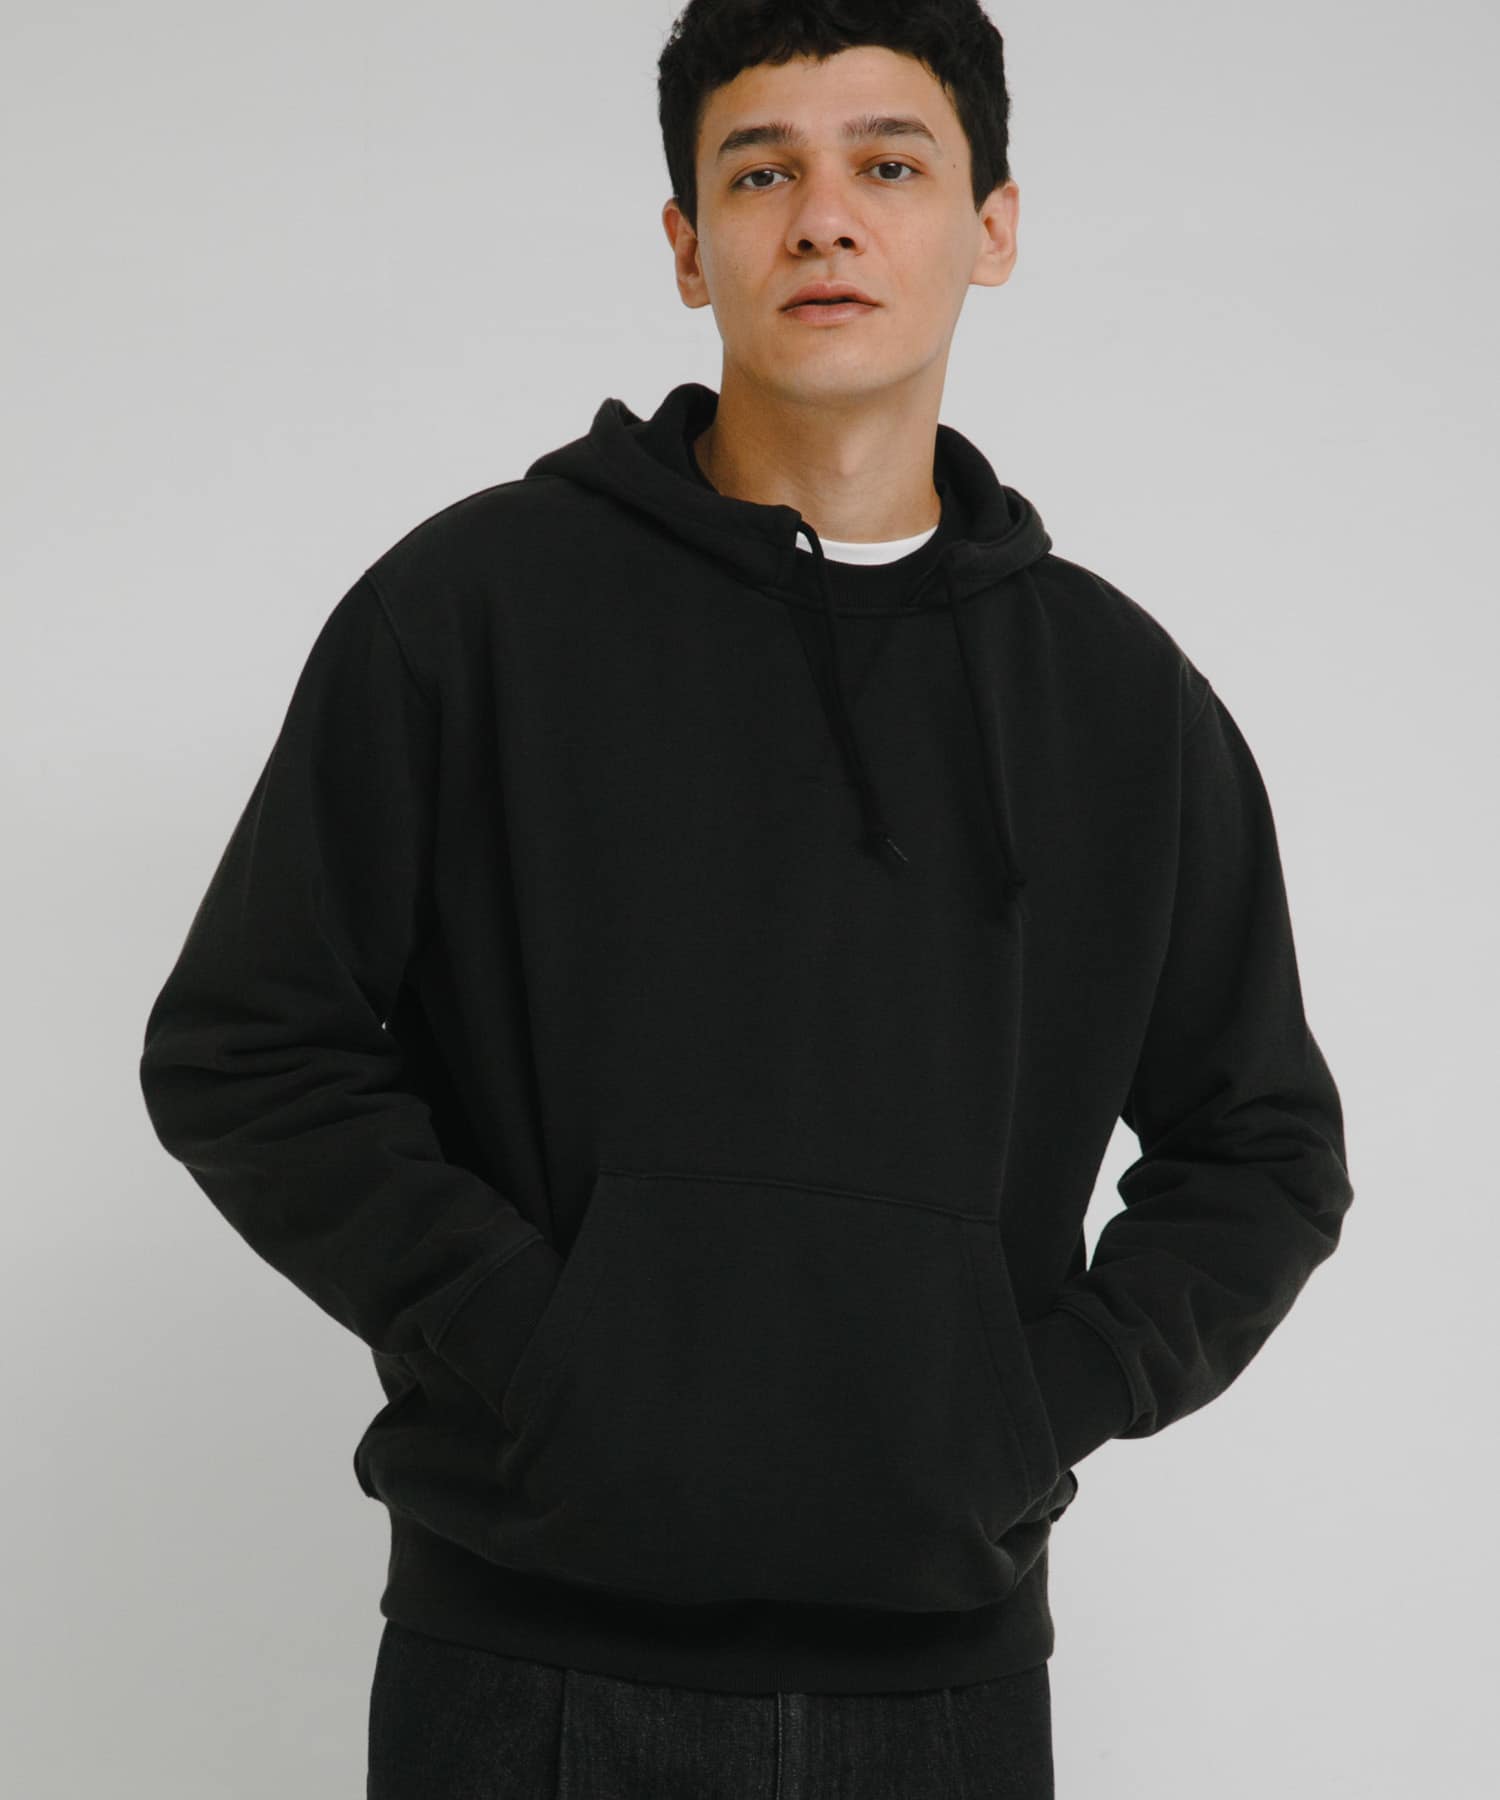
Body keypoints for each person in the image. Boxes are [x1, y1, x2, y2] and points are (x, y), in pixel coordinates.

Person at [138, 3, 1355, 1795]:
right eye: (760, 172)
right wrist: (534, 1351)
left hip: (943, 1695)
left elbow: (1264, 1150)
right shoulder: (472, 613)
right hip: (525, 1667)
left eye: (890, 165)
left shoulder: (1120, 702)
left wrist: (1042, 1400)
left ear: (993, 226)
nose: (825, 218)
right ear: (685, 241)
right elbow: (247, 1046)